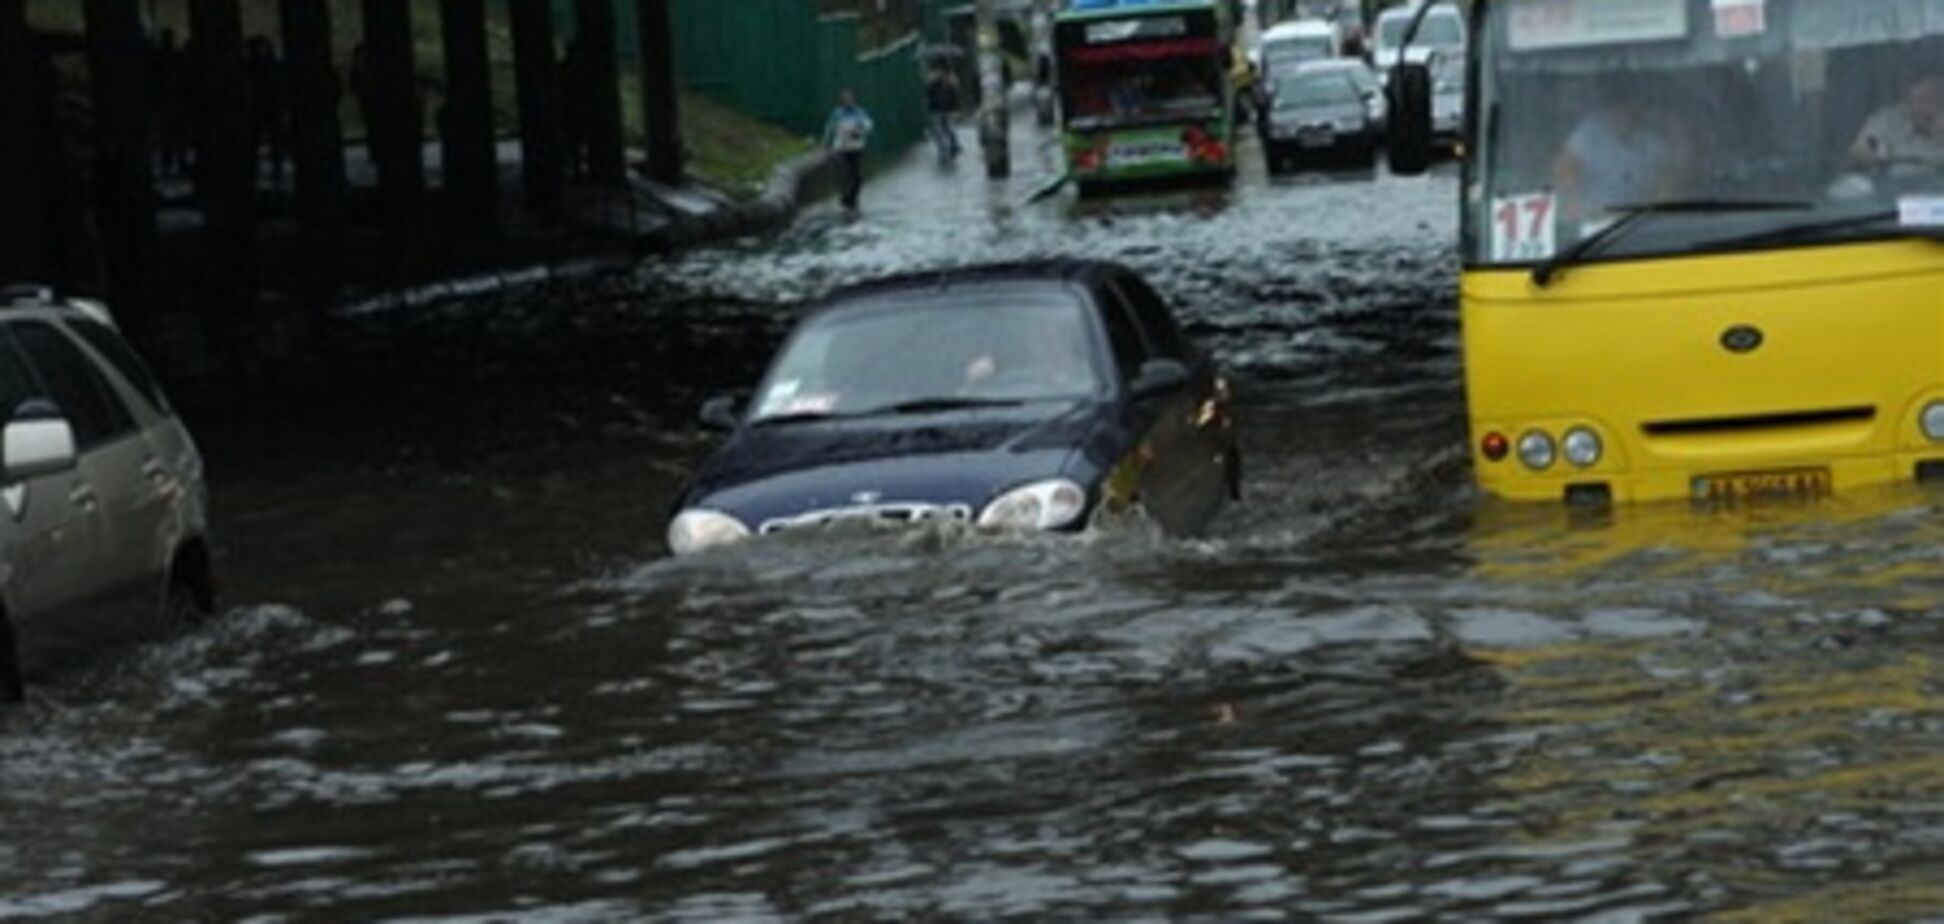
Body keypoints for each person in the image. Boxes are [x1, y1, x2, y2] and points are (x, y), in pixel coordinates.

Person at [1551, 93, 1692, 227]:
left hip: (1638, 224)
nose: (1624, 114)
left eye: (1630, 108)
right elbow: (1564, 174)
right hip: (1594, 223)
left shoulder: (1651, 142)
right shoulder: (1589, 135)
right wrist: (1578, 210)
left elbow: (1672, 177)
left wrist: (1659, 208)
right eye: (1619, 108)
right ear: (1609, 109)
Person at [1850, 74, 1944, 170]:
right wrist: (1866, 152)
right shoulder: (1887, 122)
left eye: (1925, 100)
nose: (1917, 107)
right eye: (1911, 100)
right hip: (1892, 183)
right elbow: (1869, 144)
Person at [823, 89, 875, 212]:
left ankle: (853, 198)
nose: (847, 102)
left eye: (850, 99)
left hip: (856, 148)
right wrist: (826, 144)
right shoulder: (836, 114)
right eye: (845, 100)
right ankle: (845, 196)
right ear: (842, 101)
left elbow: (869, 126)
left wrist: (859, 130)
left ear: (854, 100)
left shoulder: (860, 113)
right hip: (841, 148)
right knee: (844, 172)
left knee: (856, 175)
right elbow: (829, 128)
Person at [924, 67, 962, 164]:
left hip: (942, 110)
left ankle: (950, 148)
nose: (937, 74)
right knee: (944, 130)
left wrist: (955, 109)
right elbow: (929, 97)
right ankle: (949, 148)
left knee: (944, 130)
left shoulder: (946, 84)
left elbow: (929, 98)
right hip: (941, 110)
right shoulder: (944, 84)